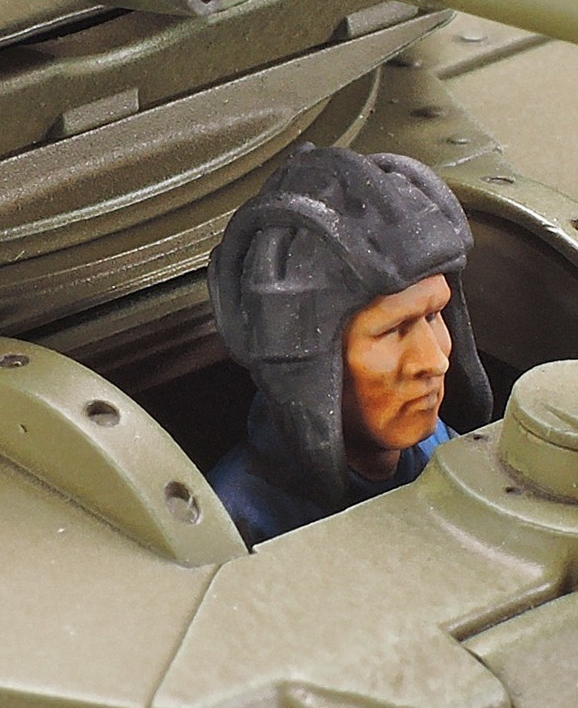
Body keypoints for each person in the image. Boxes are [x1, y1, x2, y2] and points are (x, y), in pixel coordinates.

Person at [207, 145, 492, 547]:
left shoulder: (436, 446)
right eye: (395, 330)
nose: (434, 361)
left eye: (433, 316)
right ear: (311, 362)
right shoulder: (237, 520)